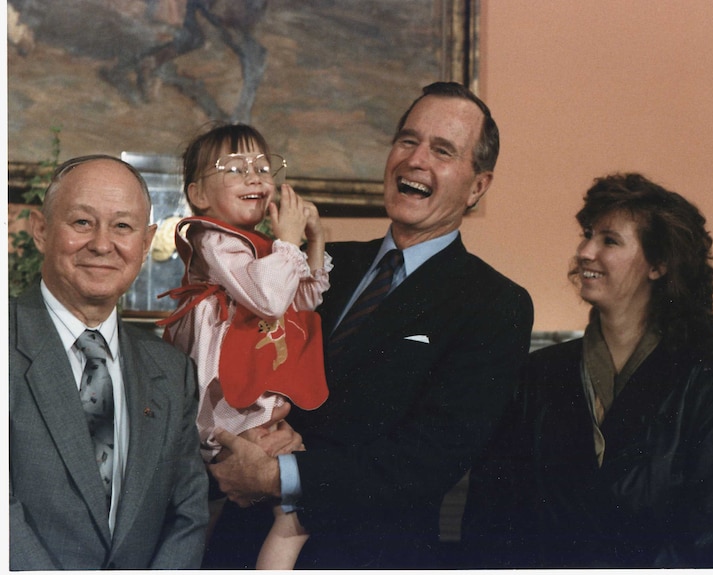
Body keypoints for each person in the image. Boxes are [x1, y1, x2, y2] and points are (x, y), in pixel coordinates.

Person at [205, 81, 534, 569]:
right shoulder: (319, 265)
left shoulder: (494, 304)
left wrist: (279, 474)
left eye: (442, 150)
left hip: (363, 554)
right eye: (407, 140)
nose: (415, 160)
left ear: (478, 185)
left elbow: (428, 459)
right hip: (240, 543)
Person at [462, 173, 713, 567]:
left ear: (658, 264)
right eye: (587, 234)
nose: (586, 251)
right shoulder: (537, 374)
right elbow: (490, 518)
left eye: (609, 240)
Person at [9, 155, 209, 569]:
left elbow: (188, 516)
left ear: (146, 240)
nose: (102, 244)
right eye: (82, 222)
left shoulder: (172, 372)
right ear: (41, 230)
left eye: (123, 226)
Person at [156, 123, 331, 568]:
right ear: (198, 194)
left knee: (294, 501)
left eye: (261, 166)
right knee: (290, 505)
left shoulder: (264, 248)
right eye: (235, 169)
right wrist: (286, 241)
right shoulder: (215, 240)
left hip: (254, 406)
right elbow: (268, 297)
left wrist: (313, 242)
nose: (254, 176)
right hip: (226, 412)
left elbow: (302, 300)